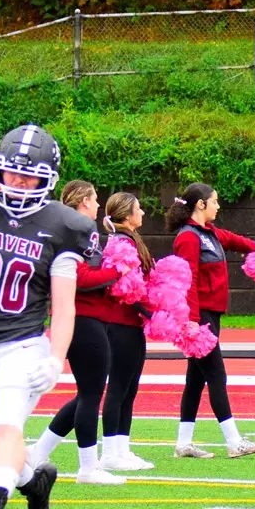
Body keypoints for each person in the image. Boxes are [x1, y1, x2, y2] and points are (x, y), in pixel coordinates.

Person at [0, 126, 90, 509]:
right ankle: (33, 481)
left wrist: (55, 357)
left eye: (28, 176)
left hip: (21, 343)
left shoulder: (62, 224)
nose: (17, 182)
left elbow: (64, 304)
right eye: (11, 173)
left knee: (6, 422)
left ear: (47, 179)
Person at [27, 180, 125, 485]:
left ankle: (38, 452)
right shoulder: (77, 229)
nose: (98, 204)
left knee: (87, 393)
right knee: (92, 393)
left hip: (87, 316)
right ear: (83, 200)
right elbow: (79, 277)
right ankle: (87, 467)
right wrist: (117, 272)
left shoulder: (75, 228)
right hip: (82, 318)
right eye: (95, 198)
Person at [167, 182, 255, 459]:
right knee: (216, 375)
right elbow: (188, 281)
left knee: (196, 380)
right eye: (215, 201)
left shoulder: (208, 233)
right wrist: (192, 321)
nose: (218, 205)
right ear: (201, 204)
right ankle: (234, 441)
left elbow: (234, 240)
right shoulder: (188, 238)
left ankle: (183, 443)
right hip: (200, 317)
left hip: (211, 314)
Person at [91, 192, 155, 472]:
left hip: (133, 324)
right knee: (118, 387)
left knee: (130, 388)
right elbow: (126, 288)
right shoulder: (120, 243)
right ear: (127, 215)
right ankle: (110, 451)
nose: (142, 212)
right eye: (138, 208)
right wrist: (155, 314)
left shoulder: (131, 240)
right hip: (120, 324)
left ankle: (122, 448)